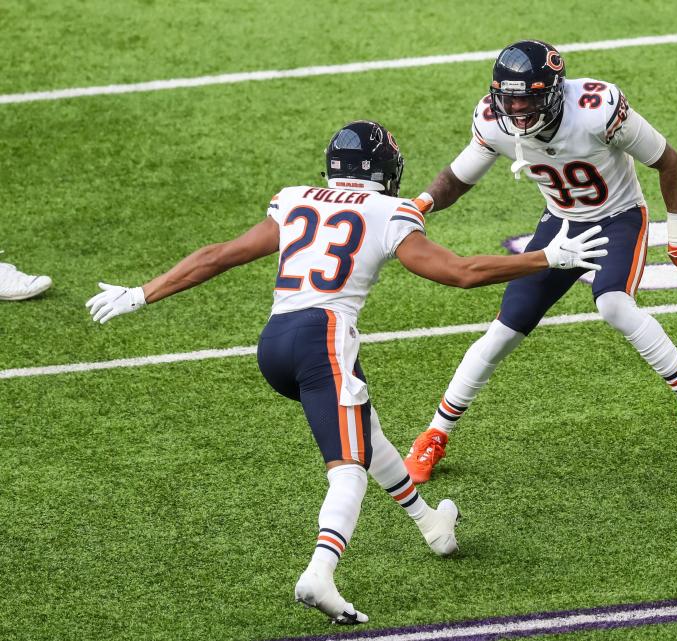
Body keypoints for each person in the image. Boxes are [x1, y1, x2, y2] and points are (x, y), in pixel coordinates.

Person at [84, 120, 607, 624]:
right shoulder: (388, 210)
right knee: (348, 467)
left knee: (366, 431)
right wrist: (545, 258)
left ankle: (432, 525)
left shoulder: (295, 198)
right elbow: (460, 273)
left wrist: (141, 293)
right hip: (324, 341)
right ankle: (320, 572)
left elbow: (220, 255)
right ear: (383, 168)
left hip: (275, 343)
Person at [404, 40, 677, 484]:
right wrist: (419, 204)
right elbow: (458, 178)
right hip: (560, 223)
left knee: (612, 304)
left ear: (554, 91)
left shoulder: (597, 108)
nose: (516, 109)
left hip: (618, 218)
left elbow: (669, 162)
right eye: (508, 98)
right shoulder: (495, 120)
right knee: (504, 330)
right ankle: (435, 434)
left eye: (526, 98)